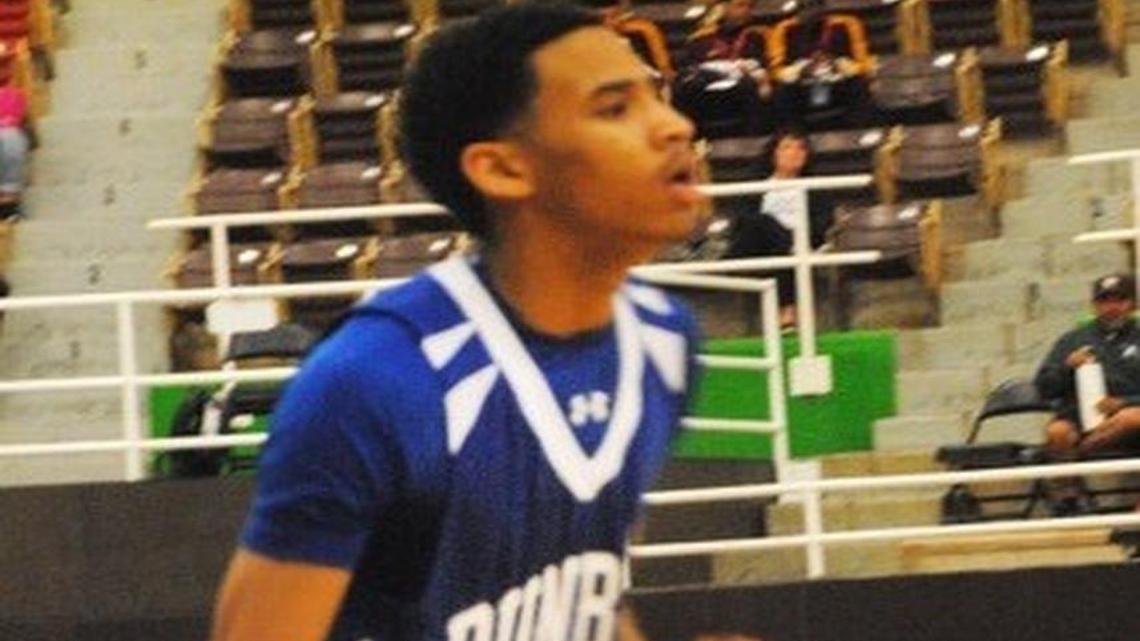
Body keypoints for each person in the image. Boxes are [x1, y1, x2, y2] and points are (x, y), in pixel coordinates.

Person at [211, 5, 752, 641]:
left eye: (655, 98)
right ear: (502, 169)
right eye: (614, 108)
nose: (675, 127)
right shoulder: (374, 381)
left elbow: (580, 598)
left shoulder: (664, 341)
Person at [1034, 273, 1140, 513]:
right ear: (1094, 305)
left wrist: (1124, 403)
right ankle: (1069, 498)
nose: (1112, 307)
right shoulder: (1073, 340)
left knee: (1132, 417)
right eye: (1104, 301)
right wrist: (1066, 368)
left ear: (1133, 304)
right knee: (1057, 431)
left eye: (1119, 300)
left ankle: (1076, 454)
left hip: (1131, 424)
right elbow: (1043, 386)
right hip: (1080, 420)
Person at [724, 127, 832, 329]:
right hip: (758, 245)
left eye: (801, 148)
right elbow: (742, 221)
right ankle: (789, 306)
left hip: (798, 244)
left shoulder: (816, 188)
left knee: (786, 249)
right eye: (787, 147)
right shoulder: (755, 186)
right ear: (773, 153)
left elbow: (822, 223)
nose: (795, 153)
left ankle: (787, 312)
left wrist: (796, 238)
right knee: (765, 222)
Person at [768, 0, 872, 128]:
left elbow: (863, 64)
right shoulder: (783, 28)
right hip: (802, 87)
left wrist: (837, 64)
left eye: (813, 5)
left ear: (823, 7)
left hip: (838, 83)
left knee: (859, 84)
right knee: (782, 91)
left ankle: (859, 132)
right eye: (804, 7)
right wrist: (801, 69)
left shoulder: (848, 23)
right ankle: (792, 137)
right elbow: (776, 71)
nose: (809, 12)